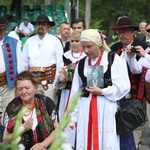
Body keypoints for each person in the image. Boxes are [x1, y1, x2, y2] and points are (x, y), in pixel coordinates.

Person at [69, 29, 130, 149]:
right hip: (85, 109)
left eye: (89, 46)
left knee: (106, 140)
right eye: (84, 47)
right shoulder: (81, 63)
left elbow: (124, 86)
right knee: (86, 139)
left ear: (99, 44)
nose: (86, 50)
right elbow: (75, 91)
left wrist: (103, 91)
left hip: (107, 107)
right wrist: (73, 117)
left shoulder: (112, 59)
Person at [110, 17, 150, 149]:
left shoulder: (143, 48)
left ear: (133, 32)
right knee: (118, 130)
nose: (122, 35)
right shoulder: (114, 49)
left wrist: (133, 57)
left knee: (136, 129)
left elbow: (137, 70)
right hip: (117, 96)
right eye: (119, 32)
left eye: (125, 31)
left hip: (137, 97)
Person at [3, 71, 59, 150]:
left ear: (35, 87)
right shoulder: (12, 108)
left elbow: (58, 129)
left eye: (27, 88)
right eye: (20, 89)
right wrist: (21, 130)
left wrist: (43, 145)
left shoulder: (46, 102)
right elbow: (5, 140)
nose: (24, 92)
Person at [22, 14, 64, 104]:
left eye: (43, 24)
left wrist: (57, 84)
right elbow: (24, 63)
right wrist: (25, 82)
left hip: (49, 81)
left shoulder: (55, 41)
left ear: (48, 27)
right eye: (38, 24)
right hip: (33, 81)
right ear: (36, 26)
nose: (40, 26)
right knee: (33, 109)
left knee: (50, 109)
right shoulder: (29, 41)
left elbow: (60, 63)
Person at [55, 30, 86, 148]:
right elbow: (59, 73)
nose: (74, 44)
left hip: (80, 94)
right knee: (65, 116)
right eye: (72, 41)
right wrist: (61, 77)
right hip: (66, 93)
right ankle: (66, 143)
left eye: (77, 41)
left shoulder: (85, 57)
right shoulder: (65, 56)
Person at [0, 17, 24, 115]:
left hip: (8, 84)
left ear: (5, 29)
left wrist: (20, 86)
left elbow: (20, 66)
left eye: (0, 30)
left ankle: (8, 130)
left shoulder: (14, 42)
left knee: (9, 112)